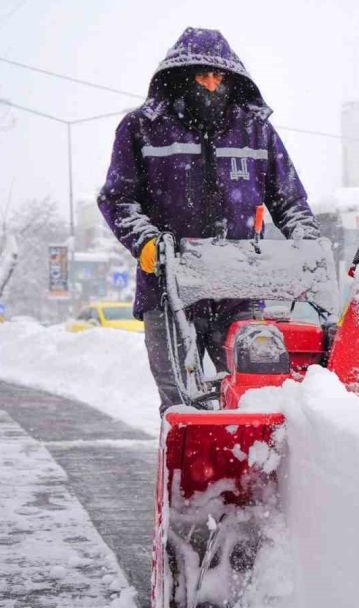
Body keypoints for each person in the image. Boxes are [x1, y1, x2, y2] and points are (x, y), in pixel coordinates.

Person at [98, 27, 320, 412]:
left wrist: (307, 242)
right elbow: (118, 199)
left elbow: (291, 201)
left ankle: (250, 471)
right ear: (180, 77)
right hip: (169, 289)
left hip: (240, 289)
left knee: (254, 397)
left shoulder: (256, 132)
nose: (213, 84)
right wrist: (146, 242)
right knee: (181, 404)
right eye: (203, 75)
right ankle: (189, 469)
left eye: (220, 76)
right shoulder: (142, 128)